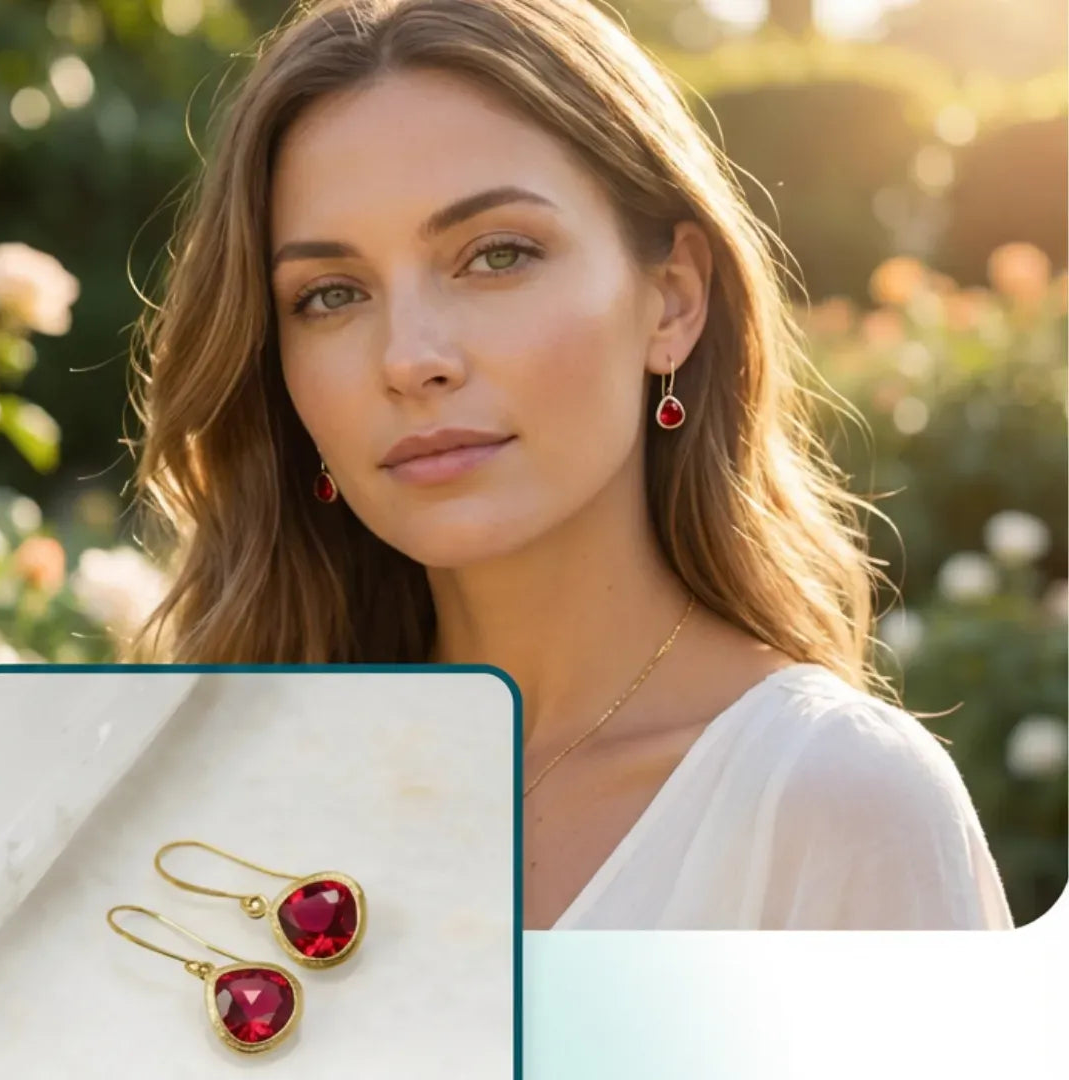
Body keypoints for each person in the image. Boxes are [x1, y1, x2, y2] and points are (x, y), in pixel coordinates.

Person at [129, 0, 1013, 930]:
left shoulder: (834, 800)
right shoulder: (227, 805)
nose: (409, 357)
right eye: (332, 294)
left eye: (496, 255)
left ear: (671, 299)